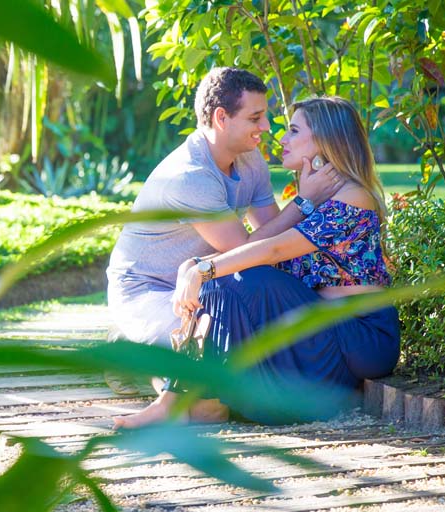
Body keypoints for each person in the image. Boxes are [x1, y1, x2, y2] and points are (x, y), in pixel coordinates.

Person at [113, 96, 400, 428]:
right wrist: (193, 265)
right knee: (226, 282)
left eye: (293, 131)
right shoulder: (319, 198)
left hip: (359, 334)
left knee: (233, 279)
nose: (281, 138)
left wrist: (203, 269)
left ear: (325, 140)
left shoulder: (352, 195)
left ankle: (180, 402)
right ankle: (200, 401)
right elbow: (265, 252)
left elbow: (273, 251)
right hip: (320, 329)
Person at [105, 67, 340, 395]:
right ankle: (137, 358)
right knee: (211, 353)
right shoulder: (190, 177)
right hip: (148, 290)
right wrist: (305, 201)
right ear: (221, 117)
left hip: (202, 280)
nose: (266, 127)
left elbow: (269, 234)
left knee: (246, 332)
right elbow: (242, 250)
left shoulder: (249, 158)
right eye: (255, 118)